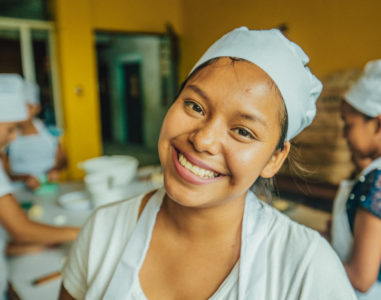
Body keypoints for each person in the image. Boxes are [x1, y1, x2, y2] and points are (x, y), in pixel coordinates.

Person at [60, 27, 356, 300]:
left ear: (274, 158)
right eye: (195, 106)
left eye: (243, 131)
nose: (203, 140)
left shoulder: (307, 270)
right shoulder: (103, 231)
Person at [0, 74, 79, 300]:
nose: (13, 137)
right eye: (10, 128)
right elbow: (20, 228)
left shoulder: (49, 130)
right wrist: (81, 232)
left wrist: (20, 247)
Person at [331, 57, 381, 299]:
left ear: (378, 125)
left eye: (349, 125)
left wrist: (314, 254)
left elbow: (361, 278)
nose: (344, 135)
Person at [3, 81, 67, 190]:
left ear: (37, 108)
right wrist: (25, 178)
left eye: (26, 107)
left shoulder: (50, 131)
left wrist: (54, 170)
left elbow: (63, 160)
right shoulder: (6, 136)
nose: (20, 112)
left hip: (48, 188)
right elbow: (4, 173)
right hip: (19, 191)